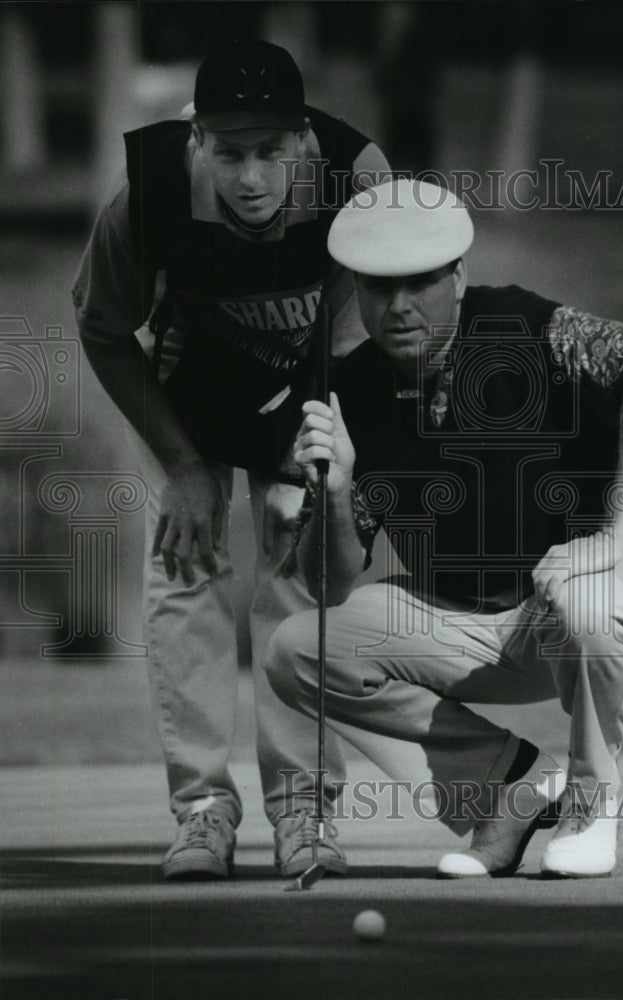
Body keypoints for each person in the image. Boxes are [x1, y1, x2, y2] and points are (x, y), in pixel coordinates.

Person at [267, 179, 623, 878]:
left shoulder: (526, 330)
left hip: (612, 602)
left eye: (419, 283)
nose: (398, 306)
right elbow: (326, 581)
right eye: (377, 288)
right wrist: (337, 490)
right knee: (297, 647)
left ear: (458, 277)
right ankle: (506, 789)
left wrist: (611, 539)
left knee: (585, 596)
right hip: (478, 628)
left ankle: (590, 803)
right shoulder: (357, 390)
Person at [72, 38, 390, 880]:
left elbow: (370, 317)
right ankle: (203, 811)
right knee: (188, 563)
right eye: (230, 153)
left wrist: (318, 443)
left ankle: (303, 812)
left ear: (301, 144)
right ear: (196, 142)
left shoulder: (359, 178)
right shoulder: (144, 197)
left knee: (301, 566)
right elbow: (104, 330)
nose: (250, 178)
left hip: (312, 366)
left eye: (269, 153)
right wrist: (181, 467)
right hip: (192, 383)